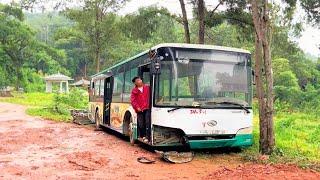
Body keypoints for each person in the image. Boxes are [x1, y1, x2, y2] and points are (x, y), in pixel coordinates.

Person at [130, 76, 150, 143]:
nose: (139, 81)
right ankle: (143, 136)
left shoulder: (147, 88)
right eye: (137, 81)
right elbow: (133, 101)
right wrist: (137, 107)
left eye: (140, 80)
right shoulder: (134, 91)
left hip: (147, 108)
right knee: (141, 124)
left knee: (147, 122)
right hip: (139, 110)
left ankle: (147, 137)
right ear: (135, 83)